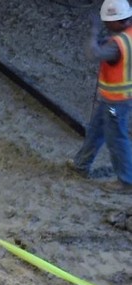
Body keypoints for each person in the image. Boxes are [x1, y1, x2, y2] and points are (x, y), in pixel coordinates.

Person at [68, 0, 132, 194]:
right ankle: (81, 164)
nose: (105, 25)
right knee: (96, 130)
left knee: (116, 139)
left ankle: (127, 180)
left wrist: (93, 32)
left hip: (116, 100)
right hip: (114, 99)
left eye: (107, 22)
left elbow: (93, 54)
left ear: (118, 21)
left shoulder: (117, 45)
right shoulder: (127, 36)